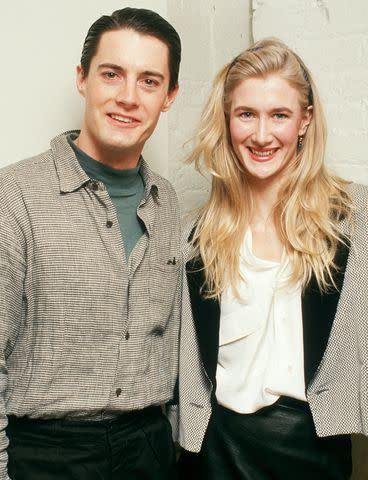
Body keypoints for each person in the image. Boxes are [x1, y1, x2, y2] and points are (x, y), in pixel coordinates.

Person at [173, 38, 368, 479]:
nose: (262, 135)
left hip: (315, 452)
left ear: (305, 121)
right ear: (227, 121)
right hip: (213, 452)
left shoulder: (356, 220)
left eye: (279, 115)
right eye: (247, 114)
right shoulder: (192, 234)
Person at [0, 7, 181, 480]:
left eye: (148, 81)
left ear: (169, 96)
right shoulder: (14, 195)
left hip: (150, 450)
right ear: (82, 78)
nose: (127, 97)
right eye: (111, 74)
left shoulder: (169, 202)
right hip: (44, 455)